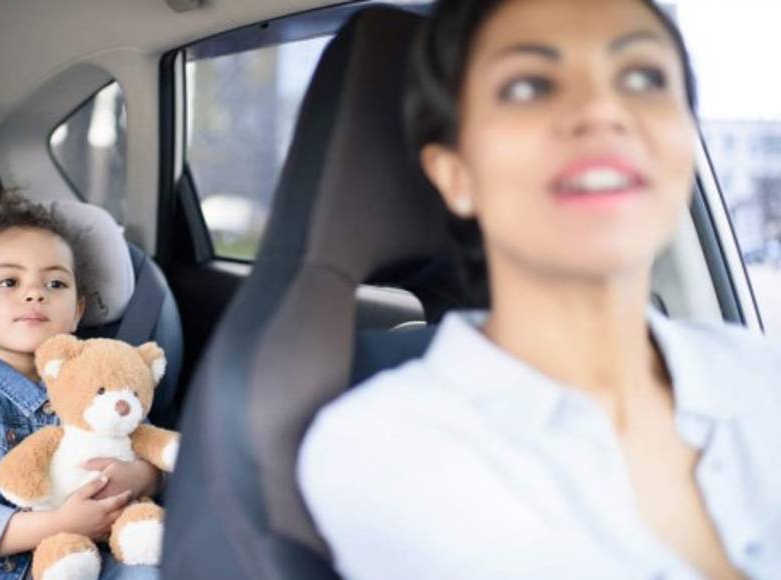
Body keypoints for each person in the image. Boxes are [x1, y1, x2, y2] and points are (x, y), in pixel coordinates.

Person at [298, 1, 781, 578]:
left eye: (644, 78)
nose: (604, 111)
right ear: (456, 173)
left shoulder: (761, 373)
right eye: (530, 86)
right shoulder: (378, 450)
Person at [0, 197, 161, 579]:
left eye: (55, 282)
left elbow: (151, 444)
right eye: (9, 281)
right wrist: (63, 523)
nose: (34, 293)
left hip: (101, 555)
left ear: (77, 312)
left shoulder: (107, 375)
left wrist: (143, 477)